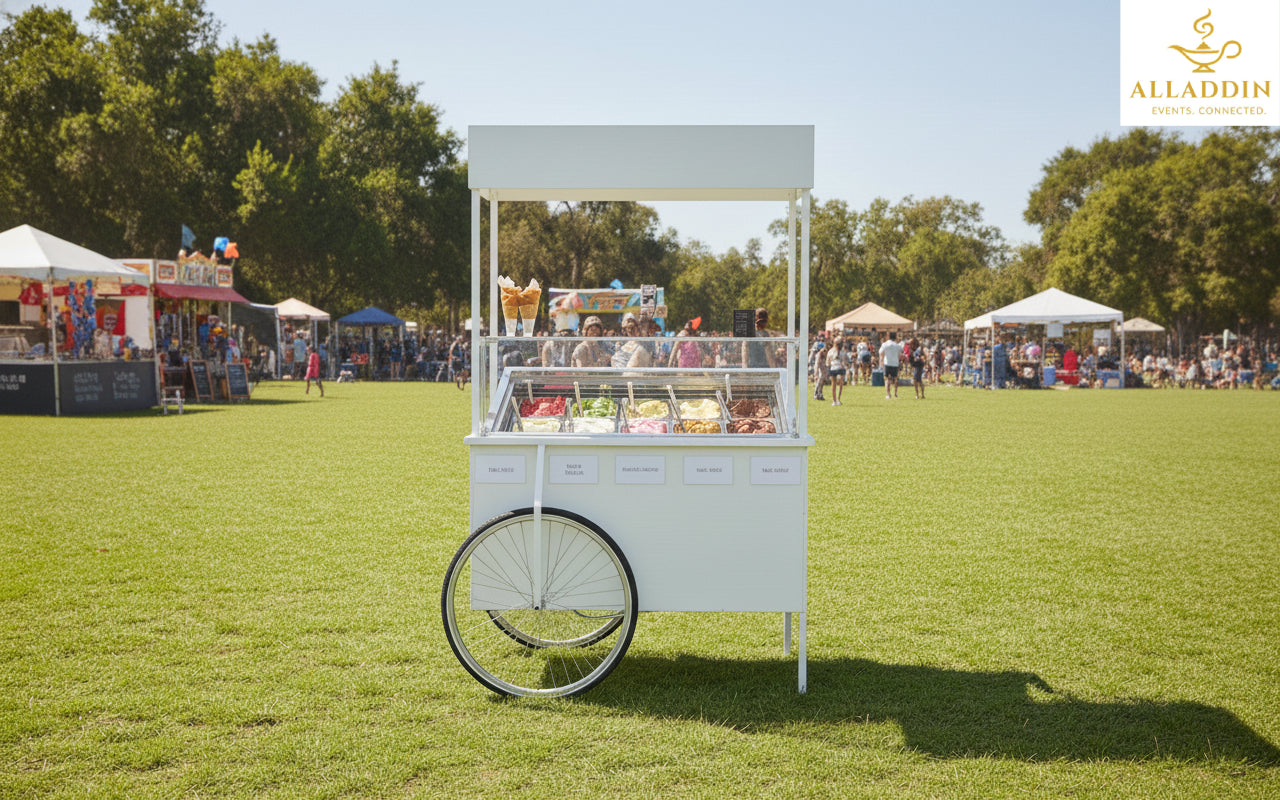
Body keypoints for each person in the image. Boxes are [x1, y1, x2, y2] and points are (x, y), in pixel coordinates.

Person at [879, 331, 903, 399]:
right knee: (895, 379)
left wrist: (881, 361)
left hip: (887, 363)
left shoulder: (885, 344)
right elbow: (900, 353)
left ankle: (888, 394)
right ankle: (895, 393)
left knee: (887, 379)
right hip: (895, 363)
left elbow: (881, 353)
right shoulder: (897, 345)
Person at [827, 338, 849, 405]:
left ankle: (837, 399)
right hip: (835, 368)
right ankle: (835, 400)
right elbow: (828, 361)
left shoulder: (841, 352)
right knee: (835, 384)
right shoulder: (832, 351)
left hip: (839, 368)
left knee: (838, 384)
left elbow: (828, 361)